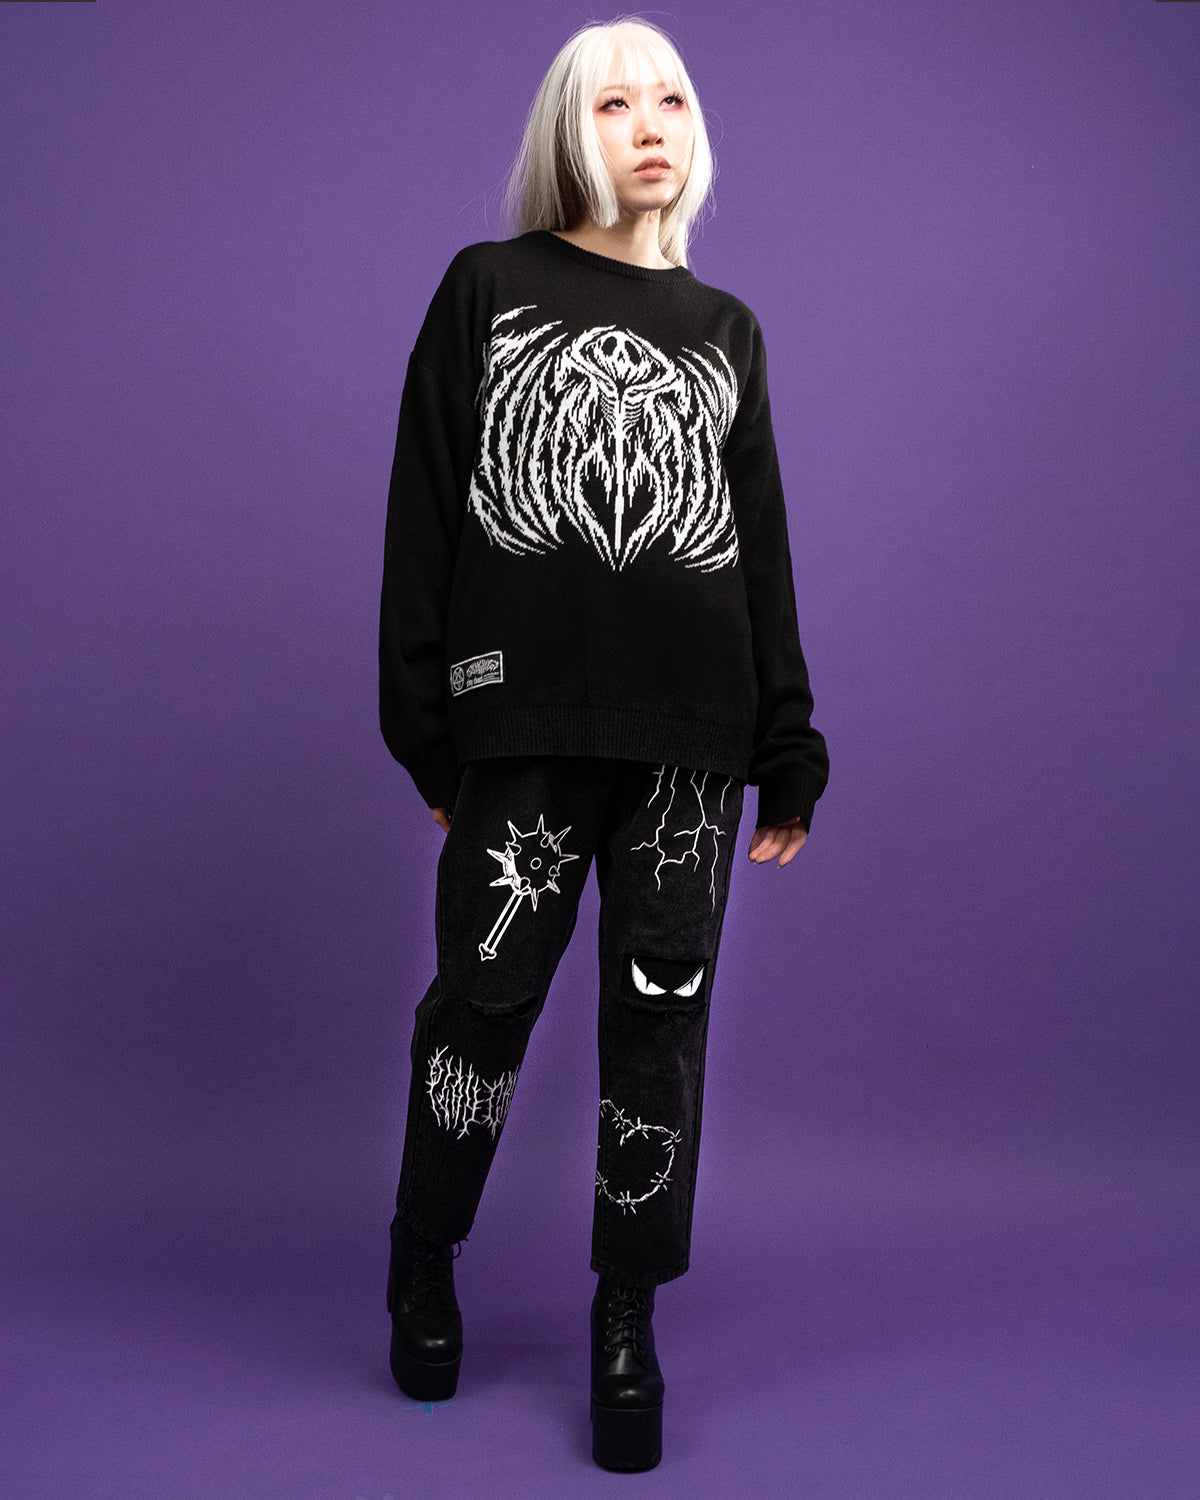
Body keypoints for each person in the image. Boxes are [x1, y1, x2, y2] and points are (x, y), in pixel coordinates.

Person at [378, 16, 828, 1472]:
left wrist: (788, 740)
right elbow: (425, 510)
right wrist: (428, 732)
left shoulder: (728, 331)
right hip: (524, 722)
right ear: (569, 131)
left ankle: (626, 1312)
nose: (651, 125)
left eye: (672, 100)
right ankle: (423, 1250)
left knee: (660, 1026)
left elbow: (759, 554)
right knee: (482, 1003)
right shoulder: (488, 288)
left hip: (691, 744)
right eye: (615, 102)